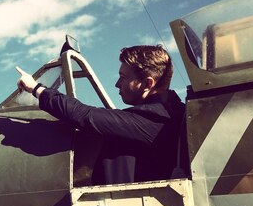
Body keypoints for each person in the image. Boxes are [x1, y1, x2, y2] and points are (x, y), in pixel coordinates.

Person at [16, 45, 185, 185]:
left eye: (123, 77)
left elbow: (85, 115)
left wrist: (36, 89)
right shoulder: (169, 113)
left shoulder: (157, 119)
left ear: (148, 83)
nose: (117, 84)